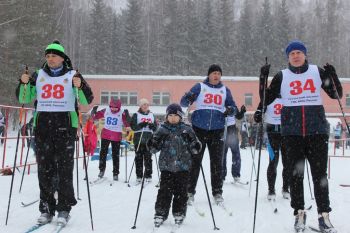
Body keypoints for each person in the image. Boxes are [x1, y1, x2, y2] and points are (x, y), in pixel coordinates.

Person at [255, 40, 341, 233]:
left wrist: (332, 74)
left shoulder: (316, 71)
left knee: (320, 176)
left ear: (305, 55)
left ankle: (324, 216)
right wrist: (263, 77)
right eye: (292, 53)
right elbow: (265, 99)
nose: (295, 55)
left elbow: (336, 95)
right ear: (288, 57)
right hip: (292, 133)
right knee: (296, 175)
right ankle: (299, 213)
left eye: (298, 52)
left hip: (316, 132)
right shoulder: (281, 76)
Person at [16, 40, 94, 226]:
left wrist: (80, 85)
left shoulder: (72, 74)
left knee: (64, 171)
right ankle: (46, 208)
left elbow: (86, 101)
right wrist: (23, 83)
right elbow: (24, 98)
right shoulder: (38, 75)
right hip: (43, 128)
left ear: (62, 58)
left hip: (65, 128)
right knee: (45, 171)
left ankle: (64, 209)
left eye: (54, 56)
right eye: (48, 56)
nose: (50, 59)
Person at [180, 64, 245, 205]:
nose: (216, 76)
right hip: (199, 129)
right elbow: (183, 102)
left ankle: (217, 192)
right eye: (214, 73)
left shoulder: (225, 90)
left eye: (218, 73)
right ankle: (189, 192)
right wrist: (188, 97)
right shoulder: (200, 87)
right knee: (195, 161)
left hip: (217, 130)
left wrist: (230, 110)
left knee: (217, 163)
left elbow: (233, 108)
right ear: (209, 75)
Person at [147, 103, 201, 227]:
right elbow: (155, 148)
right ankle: (160, 213)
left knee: (181, 192)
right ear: (166, 116)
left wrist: (195, 146)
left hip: (183, 167)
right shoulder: (162, 129)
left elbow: (194, 143)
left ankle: (179, 213)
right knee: (164, 191)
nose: (172, 118)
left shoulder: (187, 129)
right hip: (167, 167)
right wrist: (152, 144)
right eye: (170, 115)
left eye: (175, 115)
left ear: (180, 116)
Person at [254, 97, 290, 200]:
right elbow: (258, 114)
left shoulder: (287, 94)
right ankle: (271, 189)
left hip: (286, 133)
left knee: (287, 163)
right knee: (273, 161)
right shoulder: (268, 97)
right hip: (272, 135)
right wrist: (258, 115)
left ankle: (286, 188)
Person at [91, 98, 130, 181]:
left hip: (116, 136)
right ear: (110, 106)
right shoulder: (106, 110)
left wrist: (127, 119)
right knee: (103, 153)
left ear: (119, 107)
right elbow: (96, 116)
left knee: (115, 155)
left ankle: (115, 173)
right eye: (112, 107)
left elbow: (127, 123)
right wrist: (94, 113)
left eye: (116, 108)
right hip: (106, 135)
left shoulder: (122, 112)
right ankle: (102, 170)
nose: (114, 109)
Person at [130, 98, 157, 183]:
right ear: (140, 106)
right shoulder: (136, 115)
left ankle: (148, 175)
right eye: (143, 105)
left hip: (149, 139)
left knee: (148, 158)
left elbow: (156, 128)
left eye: (147, 105)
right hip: (139, 139)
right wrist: (141, 125)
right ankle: (139, 175)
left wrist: (153, 127)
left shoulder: (152, 115)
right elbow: (133, 127)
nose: (145, 106)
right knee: (138, 158)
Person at [221, 108, 246, 182]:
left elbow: (239, 116)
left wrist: (242, 112)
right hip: (223, 130)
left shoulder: (233, 106)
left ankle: (236, 174)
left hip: (232, 131)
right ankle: (221, 175)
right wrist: (223, 114)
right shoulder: (220, 104)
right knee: (222, 155)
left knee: (236, 154)